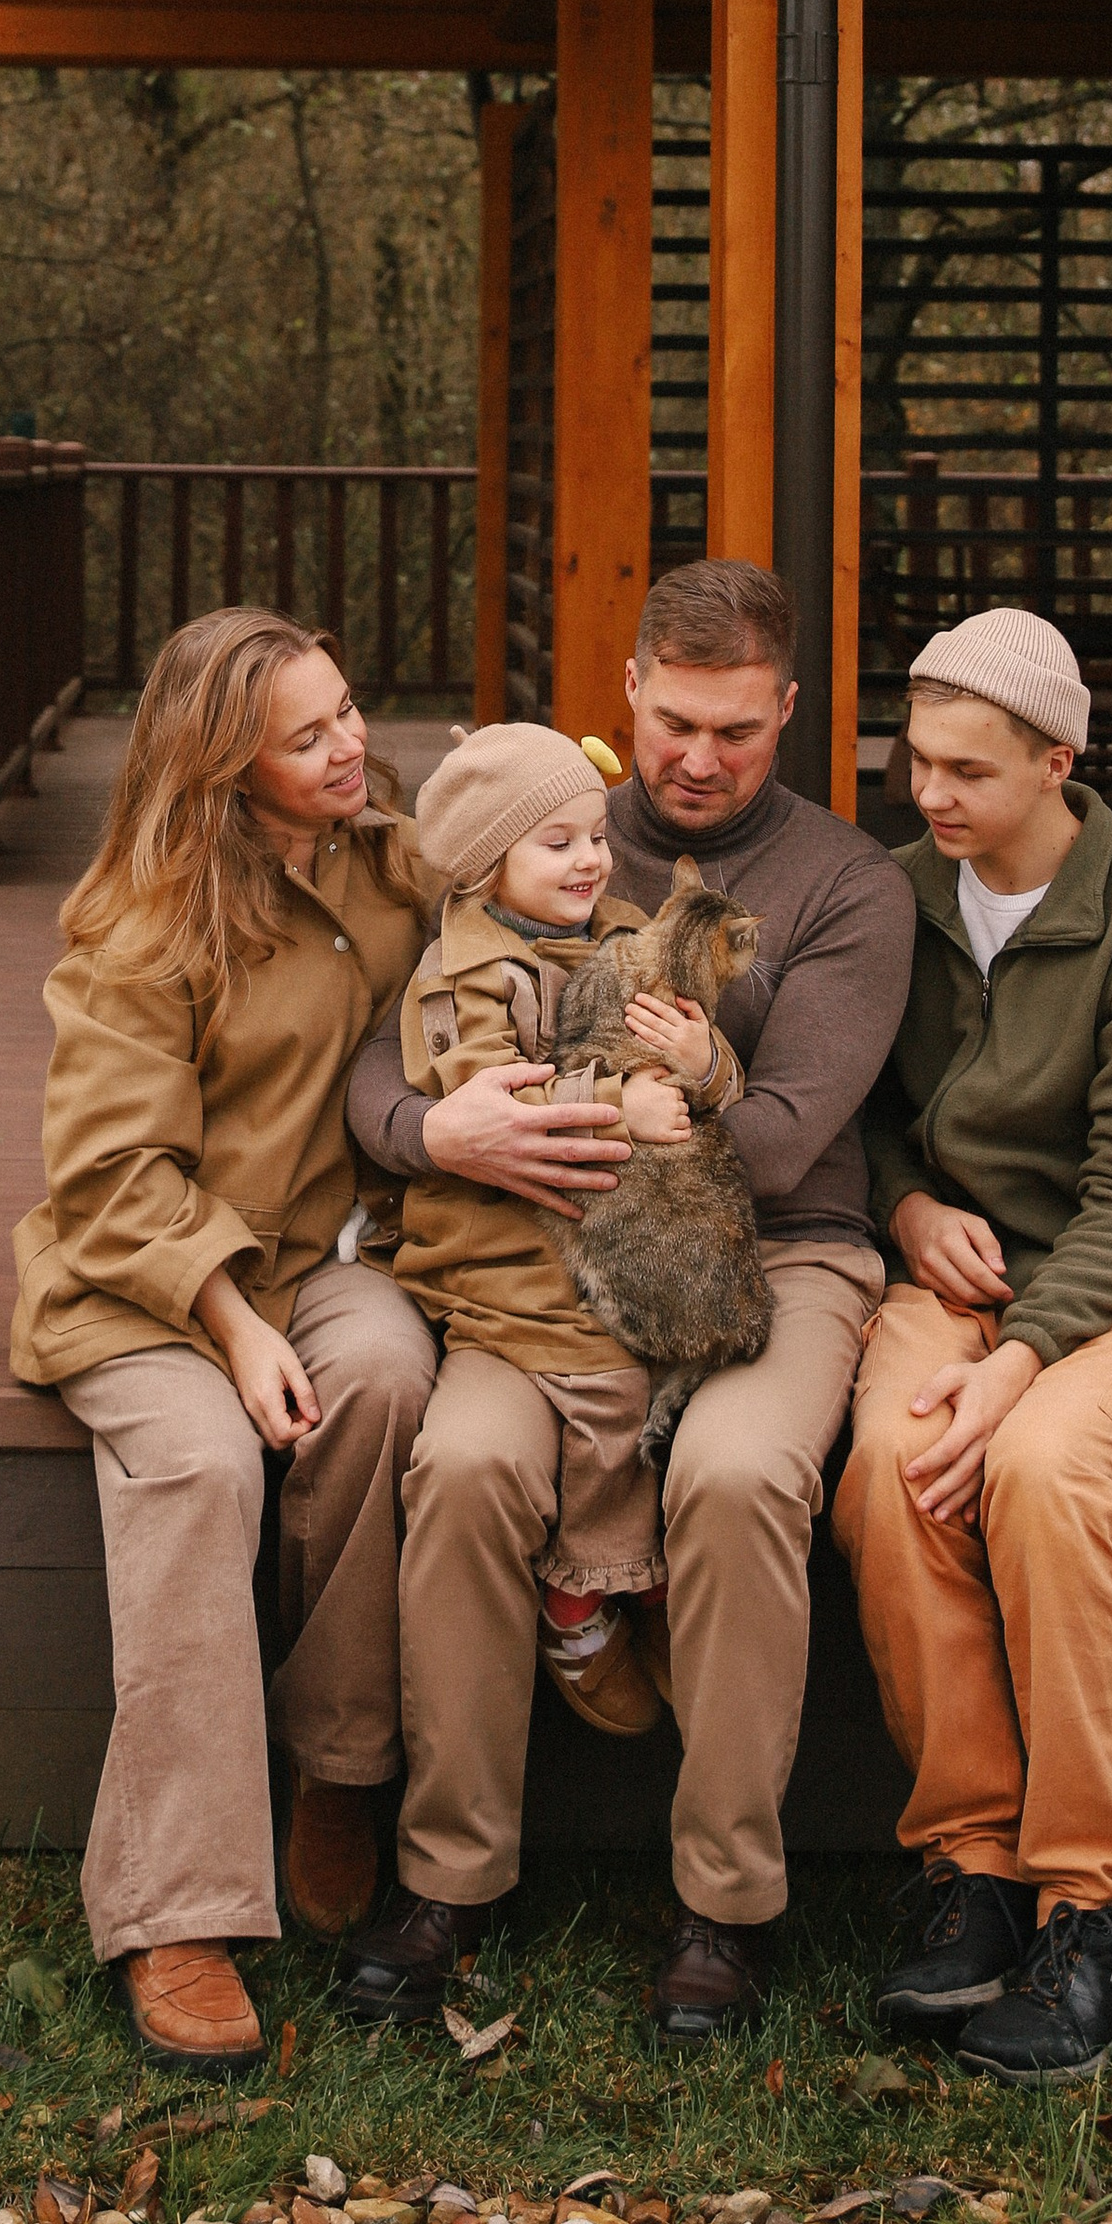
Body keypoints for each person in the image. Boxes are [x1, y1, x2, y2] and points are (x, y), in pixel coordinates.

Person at [342, 557, 916, 2041]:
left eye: (736, 730)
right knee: (466, 1464)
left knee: (733, 1473)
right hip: (535, 1268)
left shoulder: (847, 885)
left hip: (776, 1252)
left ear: (787, 711)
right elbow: (383, 1061)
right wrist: (434, 1136)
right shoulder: (526, 825)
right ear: (630, 694)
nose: (698, 759)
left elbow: (785, 1139)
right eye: (674, 722)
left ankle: (723, 1907)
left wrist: (618, 1113)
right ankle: (450, 1876)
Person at [8, 608, 440, 2072]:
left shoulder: (392, 873)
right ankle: (178, 1910)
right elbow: (114, 1180)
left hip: (323, 1255)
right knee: (203, 1470)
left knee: (387, 1377)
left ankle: (337, 1769)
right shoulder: (143, 925)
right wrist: (237, 1330)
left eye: (347, 710)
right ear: (224, 768)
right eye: (308, 735)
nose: (350, 744)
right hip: (149, 1282)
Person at [837, 606, 1112, 2083]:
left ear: (1061, 762)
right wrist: (908, 1201)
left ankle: (1096, 1910)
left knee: (1046, 1474)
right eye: (915, 762)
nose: (930, 796)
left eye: (968, 772)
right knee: (889, 1462)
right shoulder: (900, 899)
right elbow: (862, 1101)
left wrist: (1024, 1359)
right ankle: (976, 1867)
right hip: (958, 1276)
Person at [385, 722, 743, 1739]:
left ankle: (641, 1576)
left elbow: (699, 1076)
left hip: (611, 1227)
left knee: (683, 1359)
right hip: (505, 1246)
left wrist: (701, 1058)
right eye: (555, 843)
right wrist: (617, 1105)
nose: (589, 858)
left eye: (594, 835)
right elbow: (489, 1104)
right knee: (604, 1374)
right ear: (489, 860)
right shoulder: (465, 977)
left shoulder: (618, 934)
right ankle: (585, 1597)